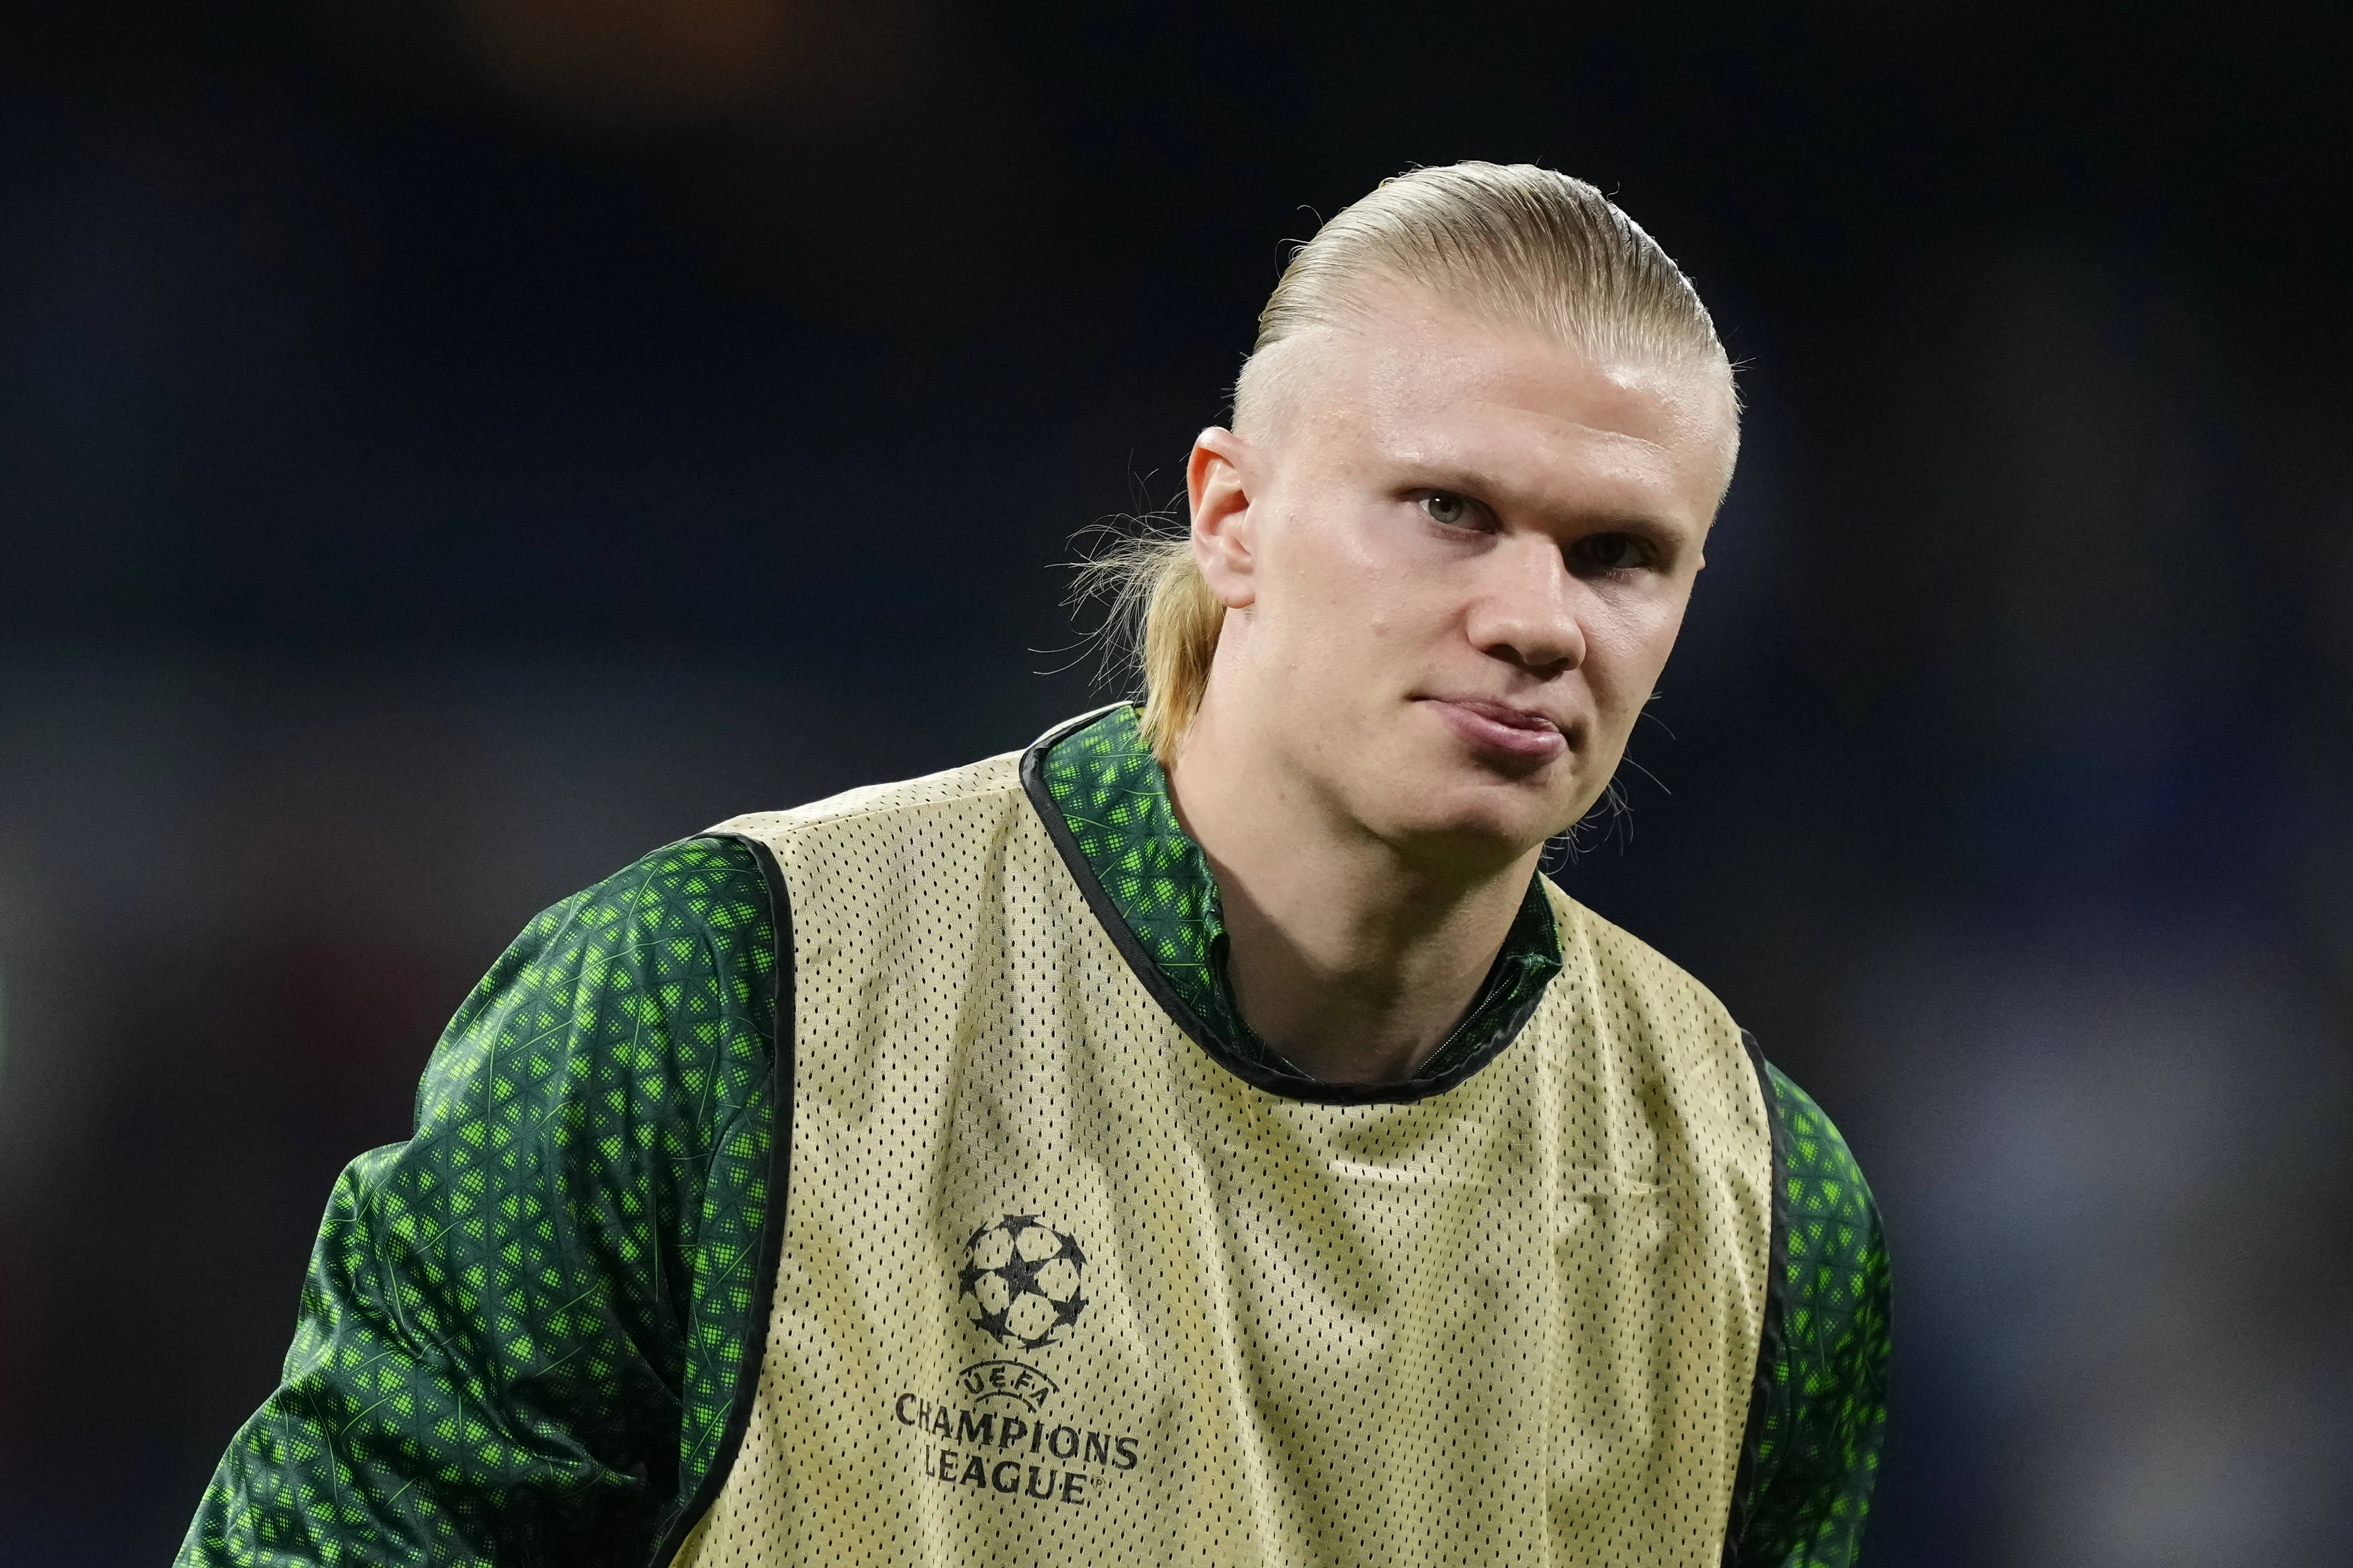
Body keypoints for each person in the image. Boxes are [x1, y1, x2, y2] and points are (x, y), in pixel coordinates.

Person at [180, 162, 1888, 1568]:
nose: (1533, 619)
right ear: (1231, 519)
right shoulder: (719, 996)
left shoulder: (1761, 1205)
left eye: (1618, 553)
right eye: (1448, 509)